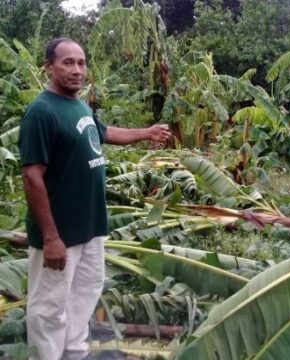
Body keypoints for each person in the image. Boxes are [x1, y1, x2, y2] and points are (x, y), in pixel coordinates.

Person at [18, 37, 171, 360]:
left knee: (84, 293)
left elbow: (104, 133)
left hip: (90, 227)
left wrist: (147, 132)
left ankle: (74, 352)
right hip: (60, 233)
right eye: (67, 62)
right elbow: (32, 177)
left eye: (81, 62)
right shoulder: (41, 112)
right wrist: (50, 238)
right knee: (48, 307)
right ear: (48, 67)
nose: (77, 70)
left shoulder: (79, 106)